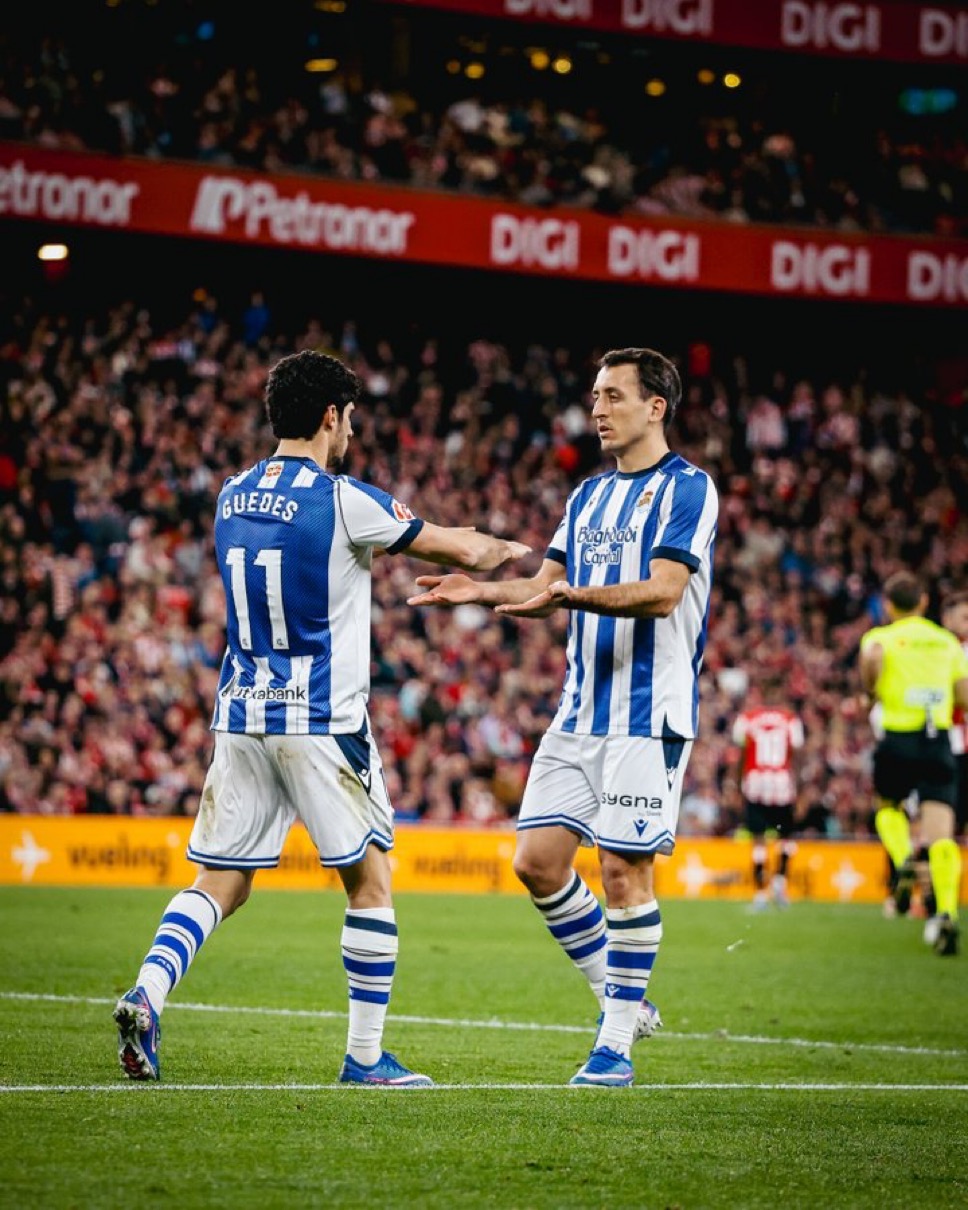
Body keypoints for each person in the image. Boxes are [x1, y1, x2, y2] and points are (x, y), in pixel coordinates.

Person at [113, 349, 530, 1086]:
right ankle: (365, 1059)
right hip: (320, 720)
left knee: (222, 880)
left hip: (242, 715)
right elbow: (464, 549)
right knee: (370, 882)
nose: (353, 434)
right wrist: (520, 551)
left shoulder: (232, 494)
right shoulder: (343, 499)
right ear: (331, 416)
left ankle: (148, 992)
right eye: (351, 419)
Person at [408, 347, 718, 1085]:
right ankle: (623, 997)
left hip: (648, 713)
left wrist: (570, 596)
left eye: (614, 396)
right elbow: (545, 585)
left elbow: (664, 592)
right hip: (579, 712)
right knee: (537, 863)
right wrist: (479, 591)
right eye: (595, 396)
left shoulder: (688, 489)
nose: (598, 409)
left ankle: (614, 1048)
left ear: (656, 407)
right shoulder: (587, 497)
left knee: (622, 872)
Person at [859, 571, 968, 957]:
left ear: (887, 605)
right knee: (942, 834)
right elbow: (963, 695)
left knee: (887, 807)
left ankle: (903, 855)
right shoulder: (947, 642)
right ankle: (947, 913)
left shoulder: (880, 639)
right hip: (938, 741)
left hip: (897, 738)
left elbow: (871, 670)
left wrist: (872, 691)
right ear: (923, 601)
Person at [731, 678, 805, 911]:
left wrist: (736, 784)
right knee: (786, 838)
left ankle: (761, 894)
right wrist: (800, 788)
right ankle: (779, 883)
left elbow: (742, 753)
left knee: (758, 841)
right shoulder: (790, 719)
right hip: (781, 783)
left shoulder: (747, 718)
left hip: (756, 782)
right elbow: (797, 756)